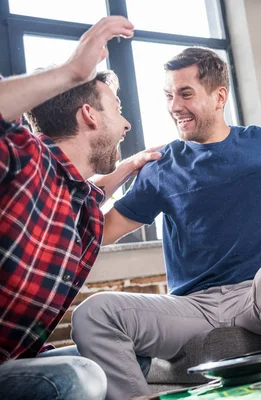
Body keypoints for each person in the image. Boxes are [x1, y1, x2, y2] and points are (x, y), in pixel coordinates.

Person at [70, 46, 261, 399]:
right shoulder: (160, 167)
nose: (174, 106)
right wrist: (121, 171)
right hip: (191, 306)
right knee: (92, 314)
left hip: (258, 295)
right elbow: (96, 234)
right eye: (168, 95)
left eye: (185, 93)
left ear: (218, 96)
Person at [0, 16, 161, 400]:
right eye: (117, 108)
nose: (126, 124)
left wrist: (127, 167)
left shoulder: (78, 201)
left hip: (13, 361)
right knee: (76, 378)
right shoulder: (24, 158)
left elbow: (82, 191)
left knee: (125, 356)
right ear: (89, 115)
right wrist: (73, 71)